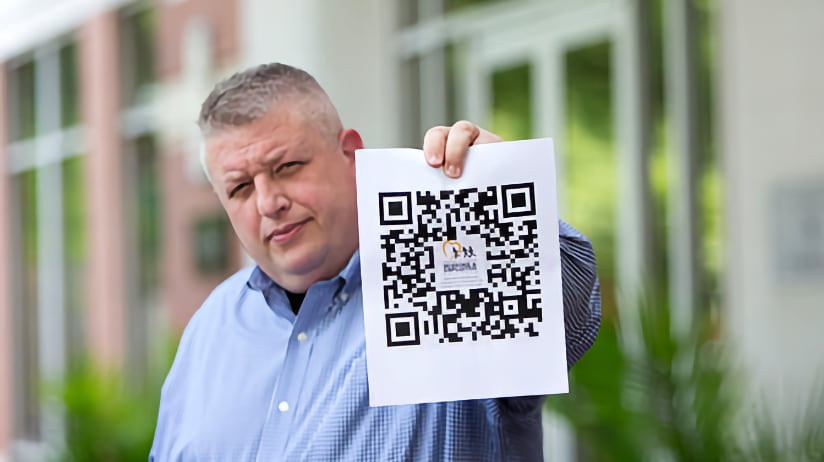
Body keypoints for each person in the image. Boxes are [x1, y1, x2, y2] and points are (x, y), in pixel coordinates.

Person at [150, 63, 600, 461]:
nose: (268, 203)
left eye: (287, 167)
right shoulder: (210, 328)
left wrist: (496, 210)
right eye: (240, 188)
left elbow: (566, 310)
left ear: (351, 154)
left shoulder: (438, 283)